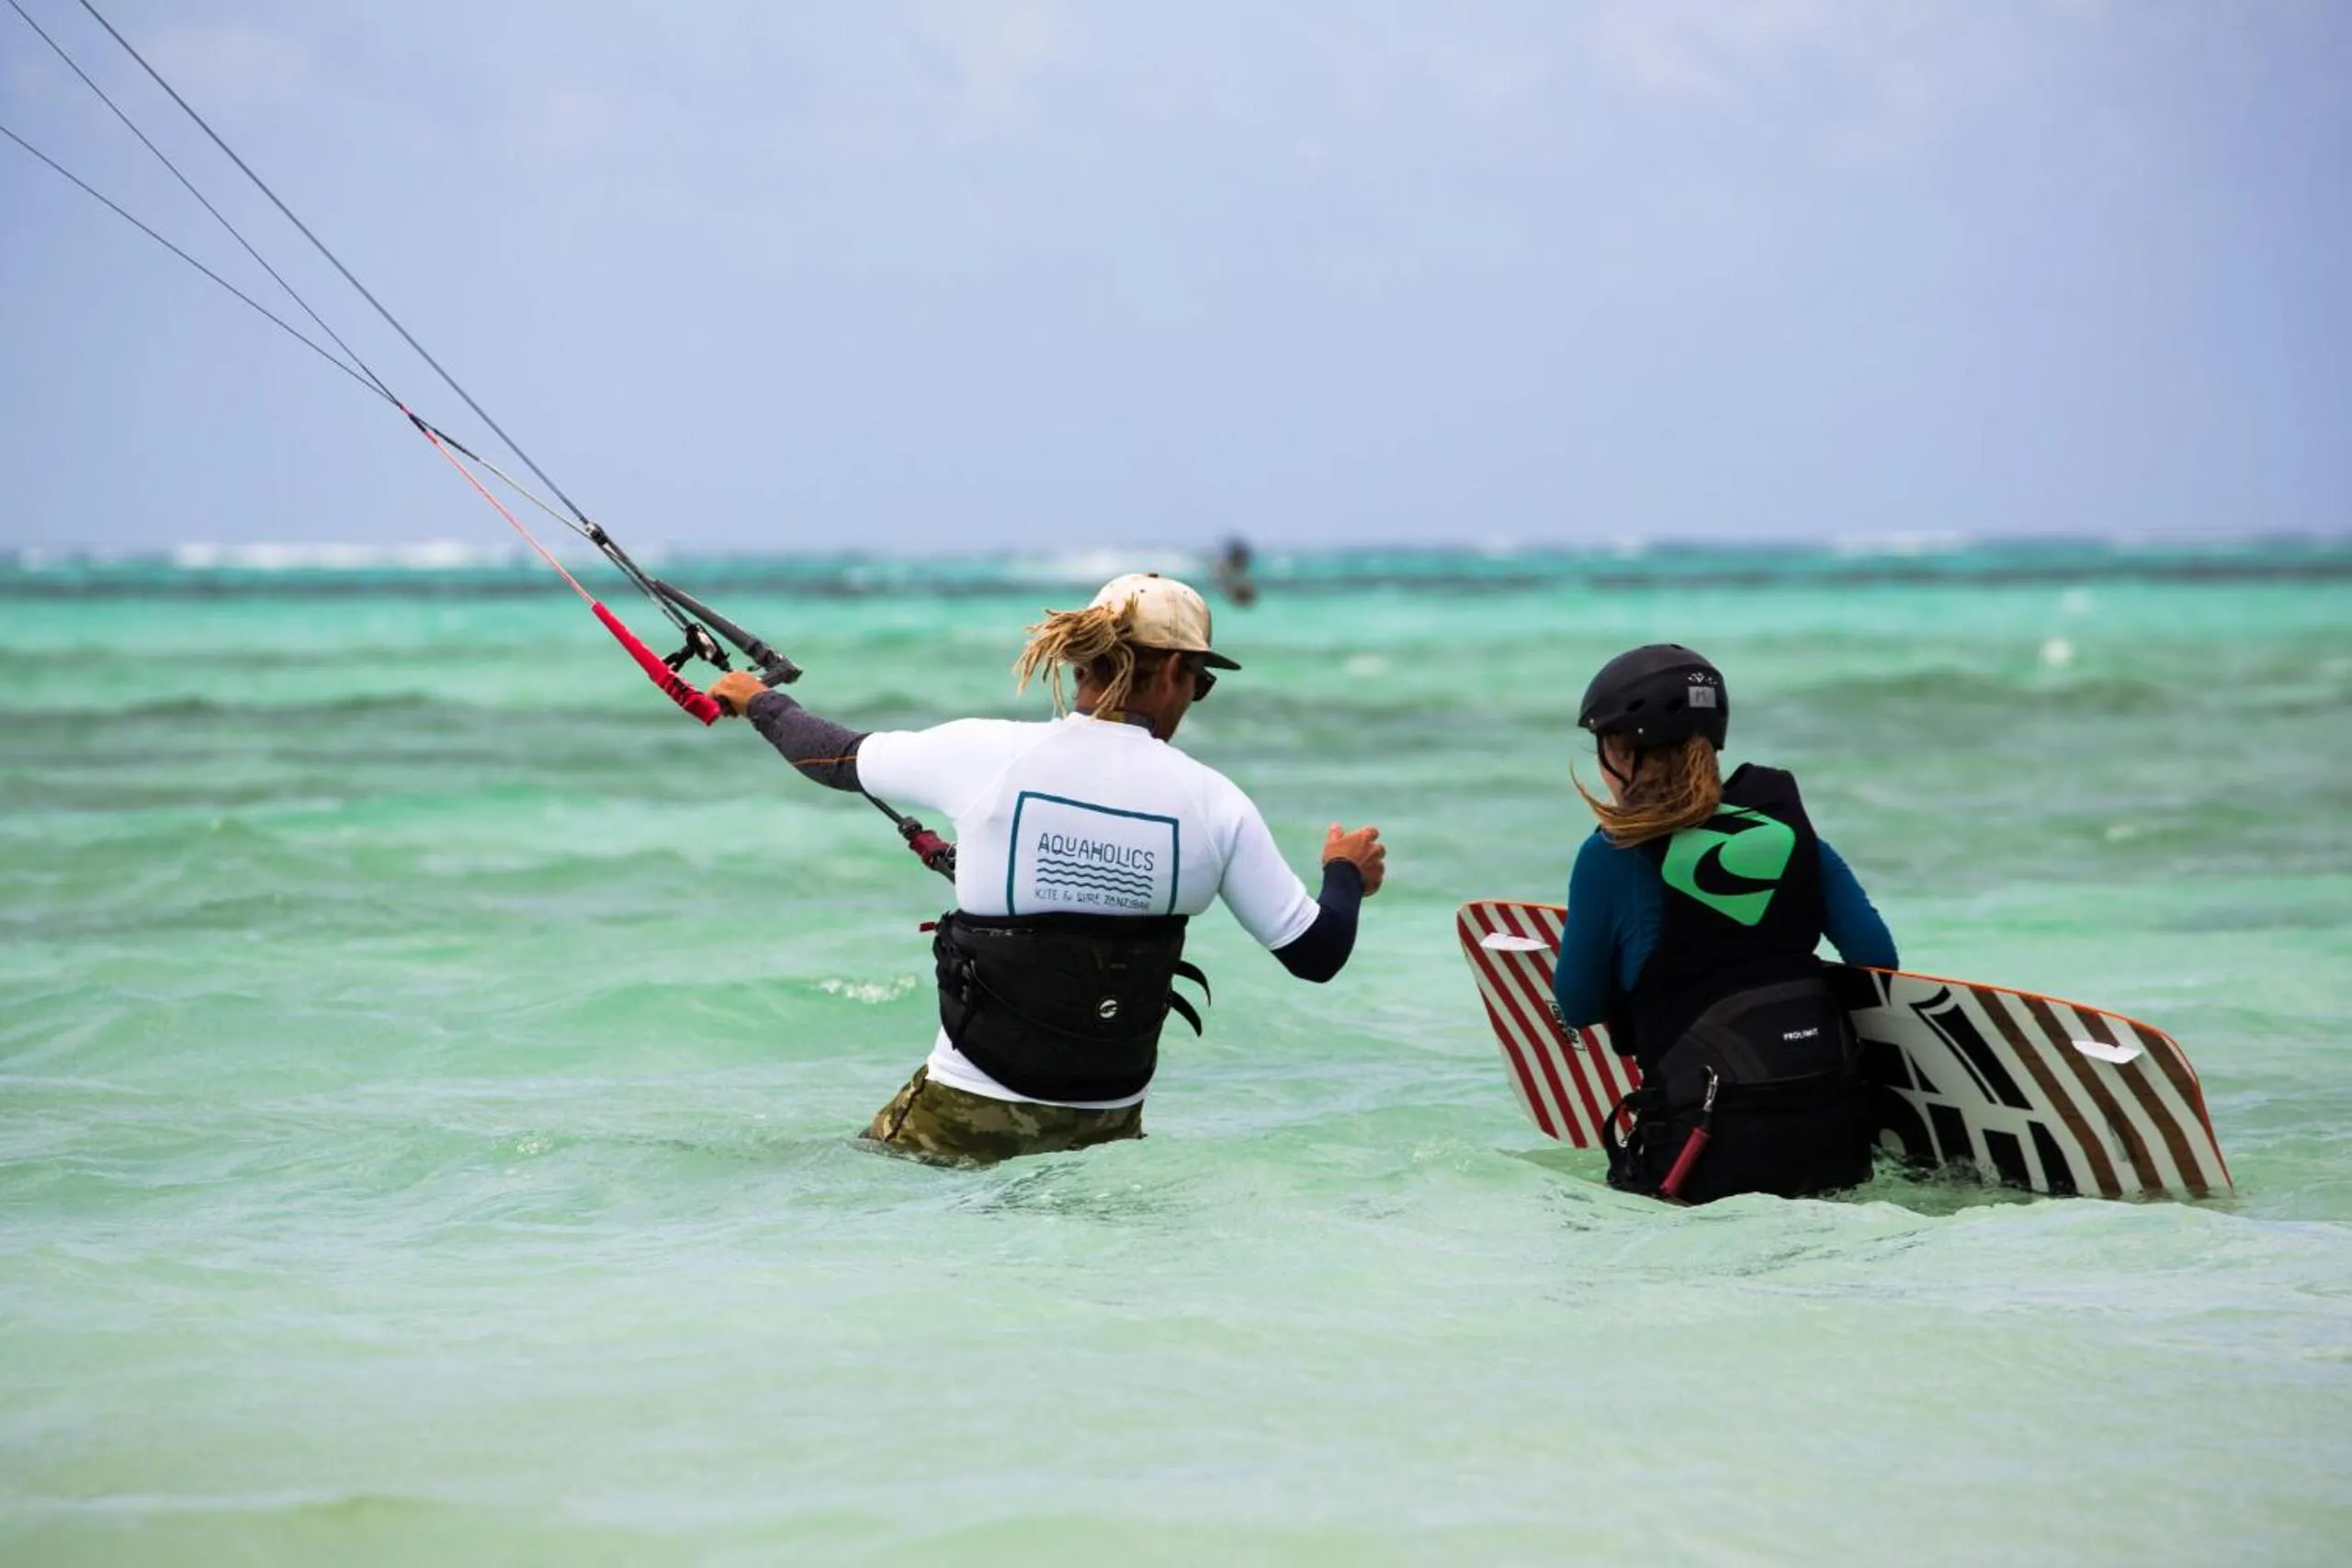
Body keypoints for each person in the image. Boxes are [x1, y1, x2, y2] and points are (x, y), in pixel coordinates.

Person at [707, 571, 1385, 1166]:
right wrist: (1343, 871)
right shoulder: (1217, 803)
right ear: (1176, 669)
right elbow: (1316, 952)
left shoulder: (988, 753)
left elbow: (832, 759)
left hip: (964, 1118)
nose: (1193, 697)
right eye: (1201, 682)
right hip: (1105, 1134)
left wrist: (758, 700)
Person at [1551, 644, 1897, 1203]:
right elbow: (1876, 959)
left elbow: (1578, 1003)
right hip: (1836, 1140)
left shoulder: (1612, 855)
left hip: (1707, 1154)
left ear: (1622, 753)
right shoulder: (1791, 835)